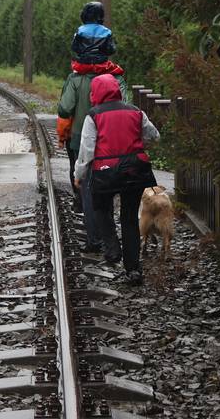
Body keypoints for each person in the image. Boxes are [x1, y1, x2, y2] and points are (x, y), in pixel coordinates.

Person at [73, 73, 159, 285]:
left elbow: (87, 150)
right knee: (130, 218)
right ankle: (133, 270)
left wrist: (79, 175)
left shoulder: (93, 116)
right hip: (135, 169)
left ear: (96, 93)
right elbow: (153, 135)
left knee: (100, 208)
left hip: (105, 171)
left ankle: (112, 248)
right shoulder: (135, 111)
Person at [57, 51, 128, 252]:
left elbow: (65, 107)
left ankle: (94, 240)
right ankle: (113, 242)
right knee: (112, 191)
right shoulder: (116, 77)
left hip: (79, 138)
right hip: (114, 144)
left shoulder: (75, 77)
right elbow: (127, 105)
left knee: (88, 191)